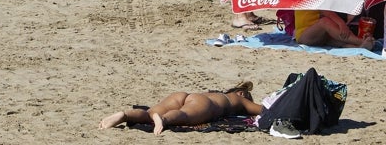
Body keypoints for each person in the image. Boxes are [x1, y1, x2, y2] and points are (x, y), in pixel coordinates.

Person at [98, 82, 264, 134]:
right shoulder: (239, 99)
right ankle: (163, 120)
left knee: (149, 114)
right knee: (183, 115)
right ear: (241, 93)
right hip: (204, 105)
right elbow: (263, 110)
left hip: (184, 95)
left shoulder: (216, 93)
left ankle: (125, 115)